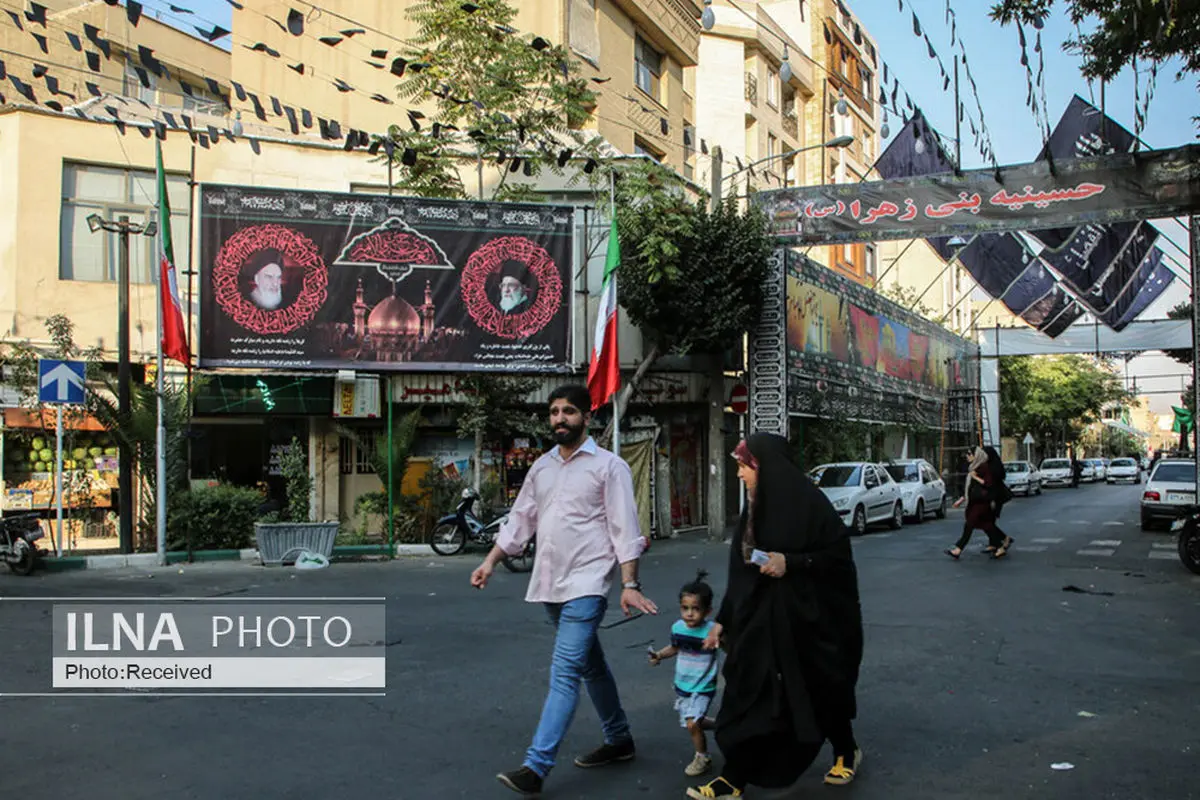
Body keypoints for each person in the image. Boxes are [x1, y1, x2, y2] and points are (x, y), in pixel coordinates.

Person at [470, 384, 658, 797]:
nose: (559, 418)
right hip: (550, 582)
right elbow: (521, 520)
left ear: (586, 417)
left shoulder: (609, 467)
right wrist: (490, 561)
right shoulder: (542, 468)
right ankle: (619, 738)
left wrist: (629, 583)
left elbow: (625, 528)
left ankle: (536, 767)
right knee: (591, 665)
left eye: (568, 411)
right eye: (554, 411)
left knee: (566, 672)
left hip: (588, 583)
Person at [687, 432, 865, 800]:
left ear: (765, 468)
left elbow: (838, 559)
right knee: (747, 694)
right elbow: (741, 571)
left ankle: (846, 749)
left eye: (743, 466)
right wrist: (723, 619)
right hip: (758, 622)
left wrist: (793, 562)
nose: (739, 474)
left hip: (808, 622)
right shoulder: (754, 510)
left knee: (820, 690)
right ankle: (734, 777)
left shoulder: (811, 507)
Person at [648, 569, 720, 778]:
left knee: (692, 723)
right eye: (685, 608)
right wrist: (659, 655)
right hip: (683, 685)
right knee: (693, 722)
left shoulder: (713, 630)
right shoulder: (678, 628)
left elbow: (728, 647)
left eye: (695, 609)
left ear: (707, 611)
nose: (689, 614)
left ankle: (702, 757)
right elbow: (675, 648)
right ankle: (721, 726)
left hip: (704, 685)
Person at [946, 446, 1014, 560]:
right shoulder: (975, 467)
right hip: (976, 502)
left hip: (982, 503)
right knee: (987, 525)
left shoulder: (984, 468)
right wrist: (962, 499)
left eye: (969, 454)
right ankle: (1000, 545)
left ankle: (958, 549)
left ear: (976, 456)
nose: (967, 456)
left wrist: (975, 477)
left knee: (970, 524)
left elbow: (988, 484)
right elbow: (971, 488)